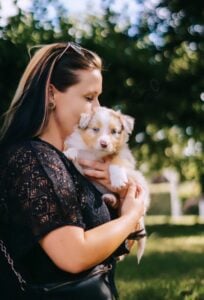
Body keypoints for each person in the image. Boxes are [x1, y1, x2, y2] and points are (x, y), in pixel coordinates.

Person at [0, 42, 145, 300]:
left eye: (98, 97)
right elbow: (74, 256)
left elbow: (114, 250)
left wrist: (124, 201)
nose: (98, 108)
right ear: (52, 94)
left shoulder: (69, 161)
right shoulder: (35, 159)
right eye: (89, 98)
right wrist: (130, 217)